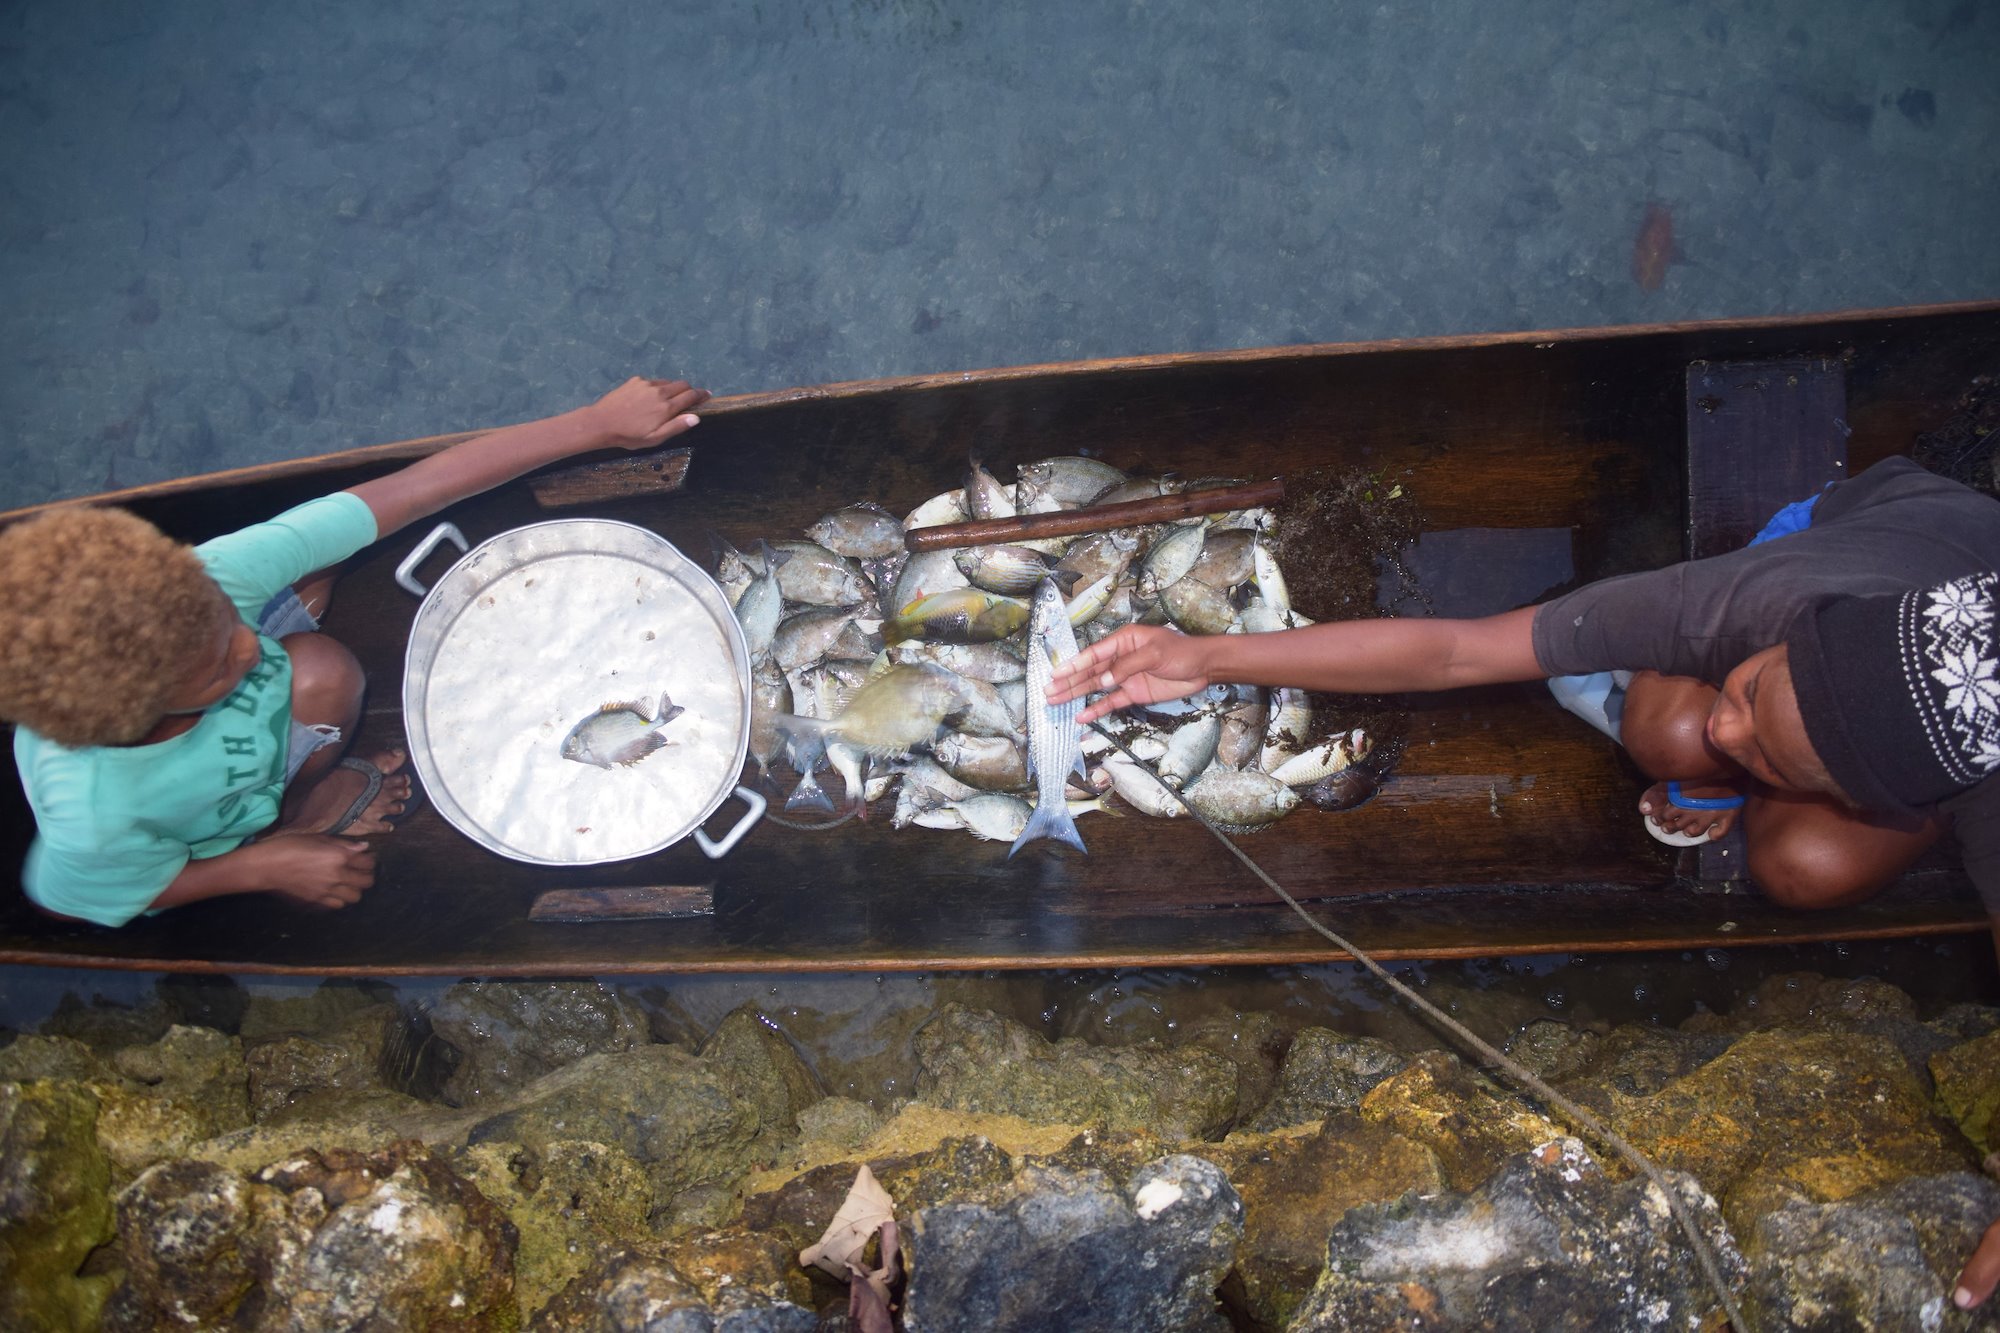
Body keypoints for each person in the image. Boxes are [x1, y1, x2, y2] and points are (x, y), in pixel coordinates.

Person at [1050, 453, 2000, 1307]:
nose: (1731, 726)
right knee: (1671, 729)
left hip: (1920, 743)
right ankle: (1721, 740)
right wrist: (1203, 656)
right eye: (1750, 693)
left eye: (1776, 757)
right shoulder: (1751, 603)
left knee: (1807, 867)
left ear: (1904, 802)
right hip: (1885, 539)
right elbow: (1460, 649)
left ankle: (1774, 775)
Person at [0, 375, 709, 927]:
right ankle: (296, 813)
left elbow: (409, 491)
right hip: (201, 822)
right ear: (137, 713)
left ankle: (295, 724)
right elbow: (72, 900)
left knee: (316, 643)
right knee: (317, 670)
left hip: (230, 702)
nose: (249, 645)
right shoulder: (96, 808)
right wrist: (259, 867)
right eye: (221, 662)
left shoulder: (203, 578)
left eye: (230, 620)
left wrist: (593, 424)